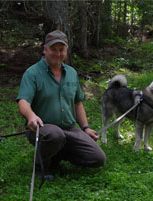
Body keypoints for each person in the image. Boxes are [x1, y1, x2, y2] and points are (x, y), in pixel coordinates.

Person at [17, 30, 106, 179]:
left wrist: (86, 128)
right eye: (53, 49)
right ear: (45, 49)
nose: (57, 54)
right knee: (55, 135)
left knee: (97, 158)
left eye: (61, 50)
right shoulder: (32, 73)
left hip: (69, 129)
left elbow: (78, 103)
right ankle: (40, 165)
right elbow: (23, 101)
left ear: (66, 51)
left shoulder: (71, 73)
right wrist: (31, 116)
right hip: (43, 130)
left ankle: (56, 154)